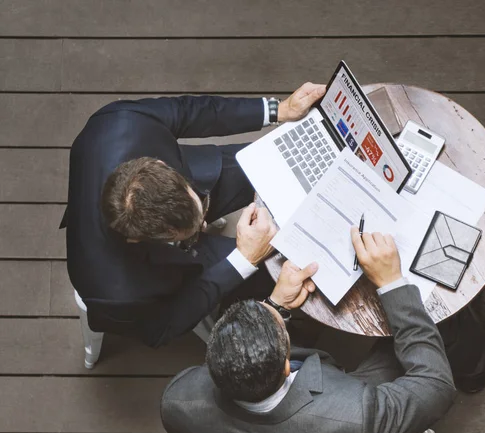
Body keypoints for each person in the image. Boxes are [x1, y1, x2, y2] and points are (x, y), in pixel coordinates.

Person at [161, 228, 456, 433]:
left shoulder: (178, 402)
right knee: (421, 331)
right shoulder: (355, 417)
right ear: (287, 366)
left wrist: (276, 304)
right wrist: (391, 283)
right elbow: (436, 385)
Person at [61, 84, 325, 347]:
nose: (205, 223)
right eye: (196, 227)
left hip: (189, 180)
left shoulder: (122, 121)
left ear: (160, 164)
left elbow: (190, 112)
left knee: (273, 160)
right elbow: (164, 326)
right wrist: (244, 260)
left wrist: (280, 109)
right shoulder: (116, 293)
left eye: (200, 205)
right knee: (272, 267)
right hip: (167, 272)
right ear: (137, 239)